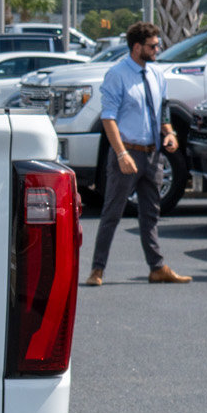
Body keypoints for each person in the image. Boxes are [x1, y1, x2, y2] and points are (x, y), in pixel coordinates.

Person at [84, 21, 191, 286]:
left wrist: (169, 133)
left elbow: (162, 108)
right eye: (153, 46)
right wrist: (121, 154)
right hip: (127, 153)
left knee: (151, 213)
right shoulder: (117, 74)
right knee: (112, 213)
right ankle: (97, 269)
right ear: (137, 47)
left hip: (153, 154)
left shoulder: (156, 74)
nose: (157, 50)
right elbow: (108, 118)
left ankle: (157, 267)